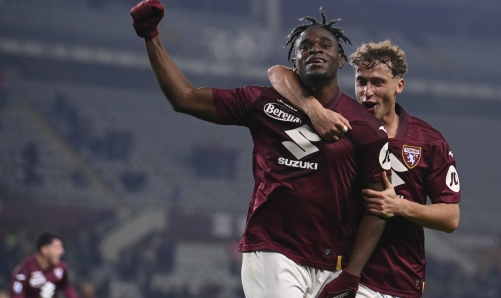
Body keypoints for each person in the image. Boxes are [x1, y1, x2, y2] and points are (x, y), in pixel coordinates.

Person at [130, 2, 391, 297]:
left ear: (341, 59)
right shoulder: (262, 102)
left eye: (325, 45)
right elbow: (185, 97)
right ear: (295, 61)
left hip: (332, 261)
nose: (315, 50)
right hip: (273, 250)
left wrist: (352, 274)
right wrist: (150, 35)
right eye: (305, 46)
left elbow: (379, 207)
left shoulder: (365, 125)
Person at [269, 40, 461, 298]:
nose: (367, 92)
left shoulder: (429, 141)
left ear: (399, 86)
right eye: (361, 82)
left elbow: (451, 218)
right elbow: (278, 73)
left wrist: (398, 206)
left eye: (378, 82)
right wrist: (312, 107)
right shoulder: (337, 126)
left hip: (398, 279)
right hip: (337, 272)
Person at [9, 232, 78, 298]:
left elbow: (66, 287)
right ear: (44, 250)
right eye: (57, 247)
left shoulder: (61, 268)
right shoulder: (24, 272)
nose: (61, 251)